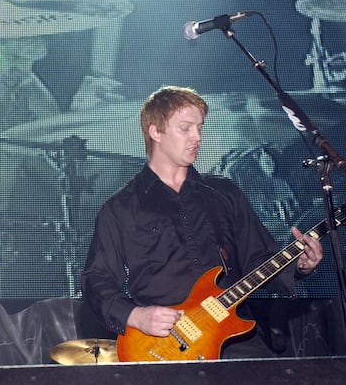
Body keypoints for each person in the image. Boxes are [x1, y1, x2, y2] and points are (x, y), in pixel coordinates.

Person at [81, 85, 323, 359]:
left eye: (200, 127)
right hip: (163, 346)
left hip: (235, 339)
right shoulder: (120, 207)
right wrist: (135, 316)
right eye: (185, 128)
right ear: (155, 132)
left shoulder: (224, 193)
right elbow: (96, 279)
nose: (197, 137)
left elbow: (258, 258)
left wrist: (300, 267)